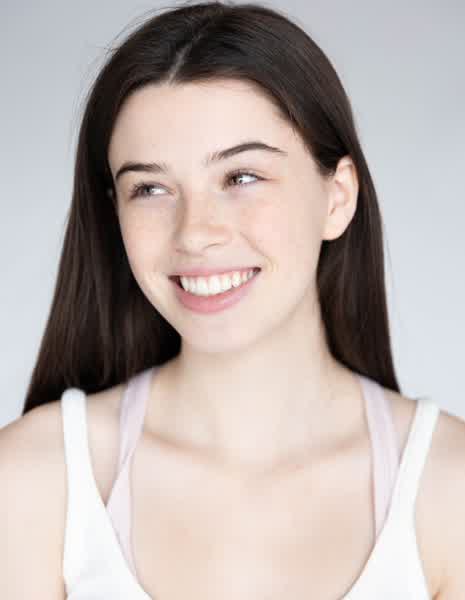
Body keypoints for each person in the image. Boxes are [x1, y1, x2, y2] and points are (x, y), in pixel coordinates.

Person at [1, 1, 464, 598]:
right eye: (150, 188)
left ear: (337, 197)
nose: (195, 233)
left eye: (241, 177)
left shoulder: (449, 491)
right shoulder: (33, 482)